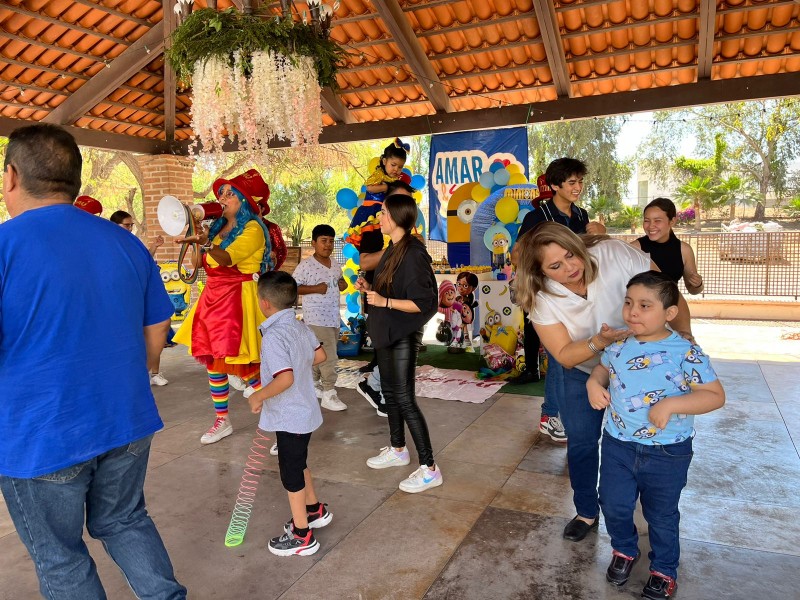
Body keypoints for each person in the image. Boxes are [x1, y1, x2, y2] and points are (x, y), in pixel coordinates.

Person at [0, 123, 185, 599]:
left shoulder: (5, 246)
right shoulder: (124, 243)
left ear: (11, 177)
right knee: (124, 520)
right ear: (75, 181)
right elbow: (157, 327)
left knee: (60, 558)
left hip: (43, 435)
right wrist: (136, 375)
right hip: (126, 420)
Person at [514, 222, 692, 542]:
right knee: (582, 442)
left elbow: (666, 292)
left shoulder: (614, 255)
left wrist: (685, 337)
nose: (571, 268)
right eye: (556, 266)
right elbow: (565, 354)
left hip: (641, 366)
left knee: (645, 437)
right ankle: (586, 510)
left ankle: (648, 507)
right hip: (581, 370)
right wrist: (600, 342)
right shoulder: (541, 296)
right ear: (539, 272)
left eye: (572, 255)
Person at [587, 271, 724, 599]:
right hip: (619, 444)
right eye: (629, 303)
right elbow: (603, 368)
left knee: (661, 514)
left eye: (645, 305)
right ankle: (624, 549)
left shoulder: (685, 351)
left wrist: (674, 403)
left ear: (669, 313)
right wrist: (594, 382)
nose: (633, 312)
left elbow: (715, 395)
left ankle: (664, 568)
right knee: (613, 503)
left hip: (667, 452)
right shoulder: (619, 344)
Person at [173, 169, 276, 445]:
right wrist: (196, 235)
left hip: (238, 300)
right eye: (221, 193)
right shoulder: (216, 229)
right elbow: (196, 265)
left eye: (231, 193)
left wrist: (205, 243)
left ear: (245, 201)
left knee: (249, 367)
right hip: (213, 300)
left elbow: (228, 259)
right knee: (214, 364)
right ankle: (222, 420)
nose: (223, 197)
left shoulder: (253, 229)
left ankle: (282, 424)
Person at [355, 194, 441, 493]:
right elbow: (391, 288)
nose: (378, 217)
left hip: (403, 334)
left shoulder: (413, 253)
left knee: (404, 398)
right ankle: (398, 449)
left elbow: (425, 302)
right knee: (390, 393)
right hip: (387, 331)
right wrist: (371, 288)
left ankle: (430, 468)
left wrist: (385, 300)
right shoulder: (393, 249)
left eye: (382, 212)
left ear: (396, 216)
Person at [247, 271, 331, 556]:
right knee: (300, 462)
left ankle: (302, 534)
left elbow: (285, 379)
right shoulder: (299, 326)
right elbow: (320, 356)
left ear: (265, 303)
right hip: (304, 412)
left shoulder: (273, 337)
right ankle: (314, 509)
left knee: (291, 474)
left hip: (291, 415)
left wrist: (259, 394)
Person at [354, 179, 416, 417]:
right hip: (386, 308)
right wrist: (395, 250)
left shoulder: (409, 244)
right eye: (397, 202)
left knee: (401, 370)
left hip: (401, 310)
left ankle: (382, 394)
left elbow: (423, 302)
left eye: (408, 203)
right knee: (392, 359)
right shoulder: (375, 230)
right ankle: (378, 390)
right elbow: (364, 261)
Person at [348, 139, 409, 374]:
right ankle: (378, 358)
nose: (396, 170)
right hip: (370, 224)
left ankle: (385, 358)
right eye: (393, 165)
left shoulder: (397, 186)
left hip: (386, 242)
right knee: (374, 299)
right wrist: (387, 187)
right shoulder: (379, 178)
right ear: (384, 162)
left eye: (399, 167)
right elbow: (370, 188)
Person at [110, 209, 173, 384]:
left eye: (131, 225)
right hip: (123, 298)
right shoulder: (109, 244)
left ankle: (154, 373)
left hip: (140, 294)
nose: (130, 229)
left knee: (154, 329)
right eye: (127, 225)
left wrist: (154, 246)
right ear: (115, 225)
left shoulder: (132, 242)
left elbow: (144, 260)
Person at [293, 224, 348, 412]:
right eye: (323, 241)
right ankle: (329, 392)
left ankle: (313, 384)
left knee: (319, 354)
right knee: (330, 356)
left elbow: (340, 283)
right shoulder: (305, 266)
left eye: (331, 241)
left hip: (333, 317)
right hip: (316, 318)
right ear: (314, 243)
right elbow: (292, 287)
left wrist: (343, 284)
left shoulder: (334, 263)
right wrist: (315, 289)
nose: (328, 245)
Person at [631, 198, 704, 294]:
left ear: (672, 221)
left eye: (657, 220)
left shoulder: (684, 250)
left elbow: (693, 290)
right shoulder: (634, 248)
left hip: (671, 307)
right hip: (642, 307)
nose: (651, 226)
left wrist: (698, 284)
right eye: (647, 220)